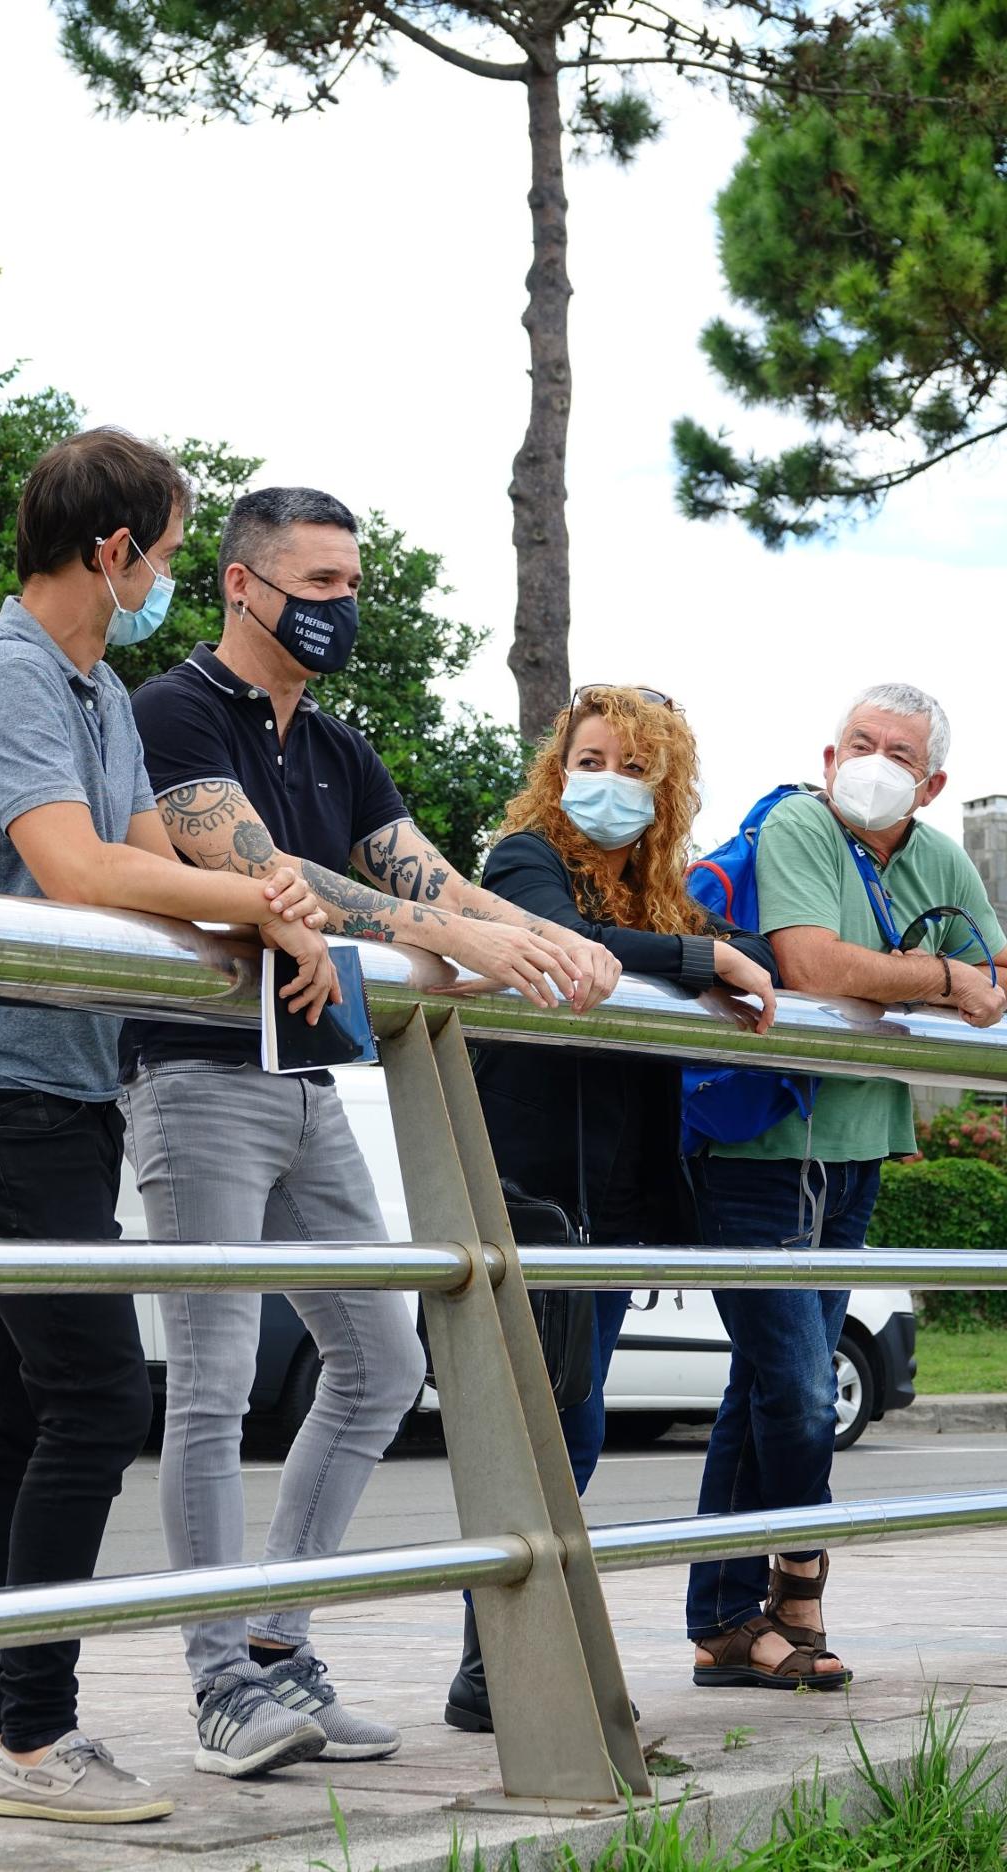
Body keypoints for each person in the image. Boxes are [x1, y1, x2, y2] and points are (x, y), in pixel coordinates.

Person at [120, 486, 623, 1780]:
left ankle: (282, 1656)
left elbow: (420, 871)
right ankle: (221, 1681)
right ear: (243, 584)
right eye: (323, 583)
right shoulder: (172, 713)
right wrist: (460, 938)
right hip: (197, 1077)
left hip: (309, 1078)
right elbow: (264, 875)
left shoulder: (338, 746)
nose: (346, 605)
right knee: (218, 1379)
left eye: (354, 583)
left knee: (382, 1362)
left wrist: (552, 938)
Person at [0, 431, 335, 1826]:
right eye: (163, 551)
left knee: (11, 1409)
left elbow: (155, 847)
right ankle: (40, 1742)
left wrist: (272, 900)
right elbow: (77, 868)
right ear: (116, 551)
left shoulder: (92, 689)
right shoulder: (6, 675)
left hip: (63, 1087)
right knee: (96, 1394)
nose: (164, 578)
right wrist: (264, 906)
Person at [440, 683, 780, 1732]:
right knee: (548, 1438)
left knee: (569, 1441)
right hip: (528, 1195)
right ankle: (493, 1674)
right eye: (590, 761)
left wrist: (716, 953)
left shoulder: (664, 896)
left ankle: (507, 1668)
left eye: (635, 769)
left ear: (666, 787)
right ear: (559, 766)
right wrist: (699, 962)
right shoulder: (521, 858)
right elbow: (548, 936)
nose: (607, 786)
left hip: (615, 1208)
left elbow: (746, 957)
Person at [686, 682, 1007, 1691]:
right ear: (828, 759)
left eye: (897, 751)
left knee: (761, 1389)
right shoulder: (796, 824)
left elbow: (995, 977)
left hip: (859, 1148)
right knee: (795, 1390)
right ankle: (796, 1584)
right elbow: (816, 965)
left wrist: (944, 979)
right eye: (857, 743)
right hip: (757, 1149)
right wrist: (939, 979)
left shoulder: (940, 857)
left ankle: (724, 1624)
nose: (871, 761)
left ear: (933, 780)